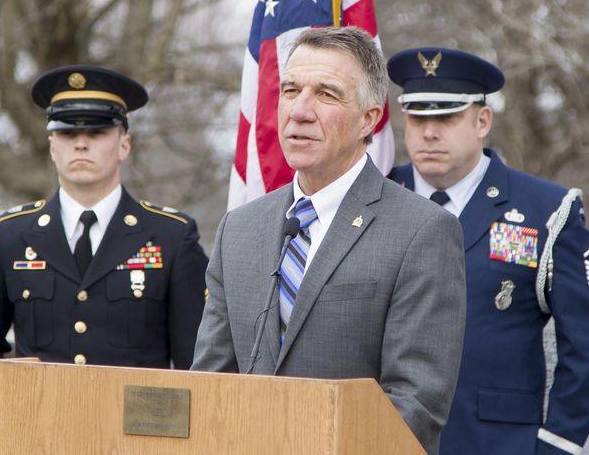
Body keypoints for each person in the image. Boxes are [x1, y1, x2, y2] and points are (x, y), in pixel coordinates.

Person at [192, 27, 466, 454]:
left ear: (369, 119)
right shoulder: (239, 229)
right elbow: (210, 385)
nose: (299, 111)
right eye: (290, 89)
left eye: (326, 94)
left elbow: (415, 407)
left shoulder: (421, 231)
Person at [0, 65, 209, 455]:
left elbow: (198, 359)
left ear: (124, 143)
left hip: (137, 441)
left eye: (97, 132)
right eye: (68, 132)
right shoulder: (10, 235)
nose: (81, 144)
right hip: (36, 435)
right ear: (52, 145)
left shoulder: (172, 237)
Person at [387, 47, 589, 455]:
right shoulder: (377, 199)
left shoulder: (545, 209)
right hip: (384, 437)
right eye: (418, 117)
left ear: (482, 121)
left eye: (446, 117)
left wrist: (556, 445)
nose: (429, 132)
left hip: (496, 442)